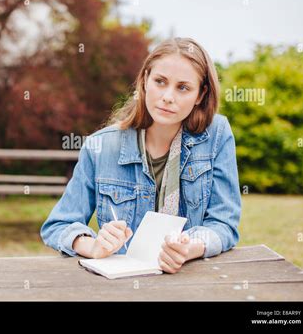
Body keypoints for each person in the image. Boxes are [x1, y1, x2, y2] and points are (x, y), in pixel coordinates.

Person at [40, 37, 241, 274]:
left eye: (183, 87)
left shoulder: (216, 135)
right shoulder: (100, 146)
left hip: (189, 283)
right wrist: (94, 246)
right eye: (160, 81)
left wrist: (188, 249)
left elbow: (224, 224)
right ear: (145, 81)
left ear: (200, 95)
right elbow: (57, 225)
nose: (168, 96)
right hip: (121, 286)